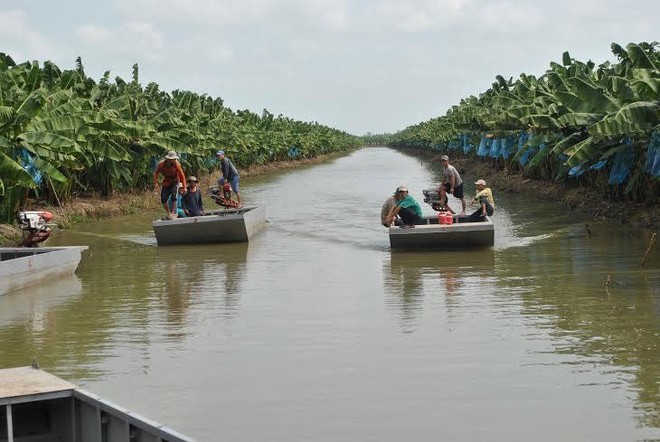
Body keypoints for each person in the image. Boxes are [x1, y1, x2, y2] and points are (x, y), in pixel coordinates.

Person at [154, 150, 186, 219]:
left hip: (175, 181)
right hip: (166, 181)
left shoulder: (177, 164)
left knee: (174, 196)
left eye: (175, 159)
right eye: (173, 159)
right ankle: (168, 213)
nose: (174, 160)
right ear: (168, 159)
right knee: (163, 199)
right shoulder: (161, 164)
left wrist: (184, 187)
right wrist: (156, 182)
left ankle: (173, 213)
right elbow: (156, 173)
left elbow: (182, 176)